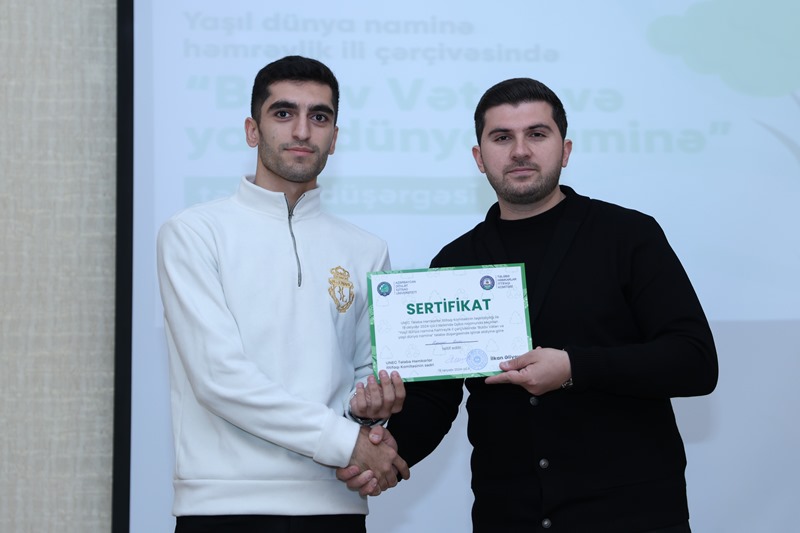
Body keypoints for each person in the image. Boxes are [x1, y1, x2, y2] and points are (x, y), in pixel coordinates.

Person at [343, 77, 719, 532]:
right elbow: (434, 400)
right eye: (502, 138)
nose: (520, 151)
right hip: (509, 516)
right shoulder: (455, 262)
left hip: (632, 515)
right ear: (479, 157)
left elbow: (694, 361)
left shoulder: (629, 236)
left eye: (537, 134)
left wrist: (573, 367)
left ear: (565, 149)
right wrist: (381, 451)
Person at [156, 55, 407, 533]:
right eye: (284, 113)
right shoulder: (193, 233)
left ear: (335, 137)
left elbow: (363, 377)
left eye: (320, 117)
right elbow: (218, 378)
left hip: (335, 506)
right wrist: (347, 443)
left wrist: (369, 409)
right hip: (222, 508)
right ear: (253, 130)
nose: (302, 131)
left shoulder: (367, 249)